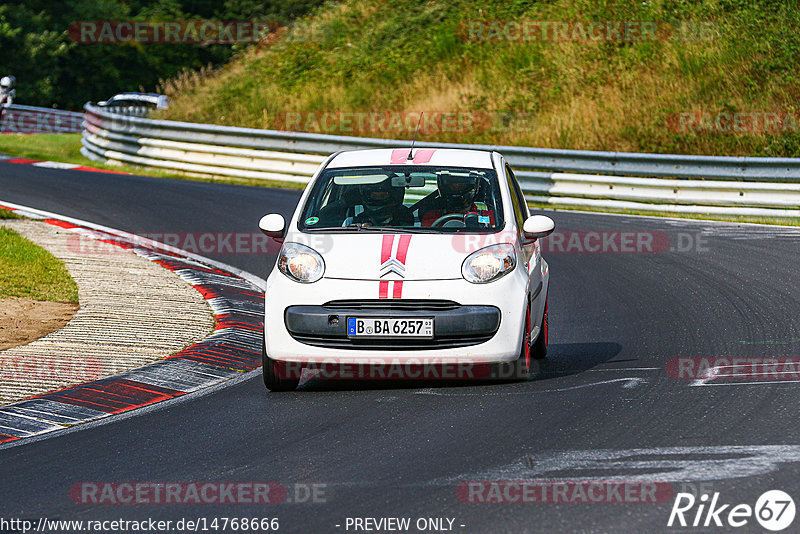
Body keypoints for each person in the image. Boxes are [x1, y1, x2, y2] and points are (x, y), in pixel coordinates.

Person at [421, 172, 494, 227]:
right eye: (452, 182)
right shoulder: (431, 217)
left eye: (462, 183)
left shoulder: (488, 217)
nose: (457, 186)